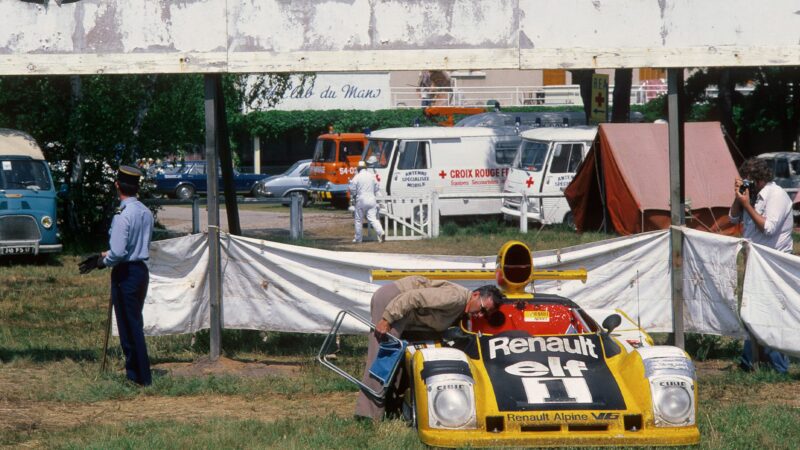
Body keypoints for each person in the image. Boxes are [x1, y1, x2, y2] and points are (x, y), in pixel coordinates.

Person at [354, 276, 503, 420]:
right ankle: (367, 415)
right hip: (394, 302)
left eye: (485, 315)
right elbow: (413, 297)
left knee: (404, 356)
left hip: (406, 311)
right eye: (482, 309)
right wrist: (387, 319)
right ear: (475, 295)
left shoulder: (462, 309)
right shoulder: (455, 297)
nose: (480, 315)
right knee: (383, 355)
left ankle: (393, 407)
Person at [79, 165, 155, 385]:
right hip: (140, 270)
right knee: (134, 323)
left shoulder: (122, 215)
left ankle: (138, 378)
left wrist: (103, 261)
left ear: (117, 185)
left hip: (125, 272)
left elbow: (119, 252)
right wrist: (104, 255)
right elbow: (133, 246)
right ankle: (141, 375)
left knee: (128, 327)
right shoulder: (144, 211)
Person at [729, 157, 794, 374]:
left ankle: (778, 366)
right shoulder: (754, 196)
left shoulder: (776, 196)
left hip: (774, 264)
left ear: (758, 180)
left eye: (748, 182)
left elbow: (769, 229)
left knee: (772, 313)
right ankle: (750, 361)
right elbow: (732, 218)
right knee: (752, 309)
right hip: (755, 261)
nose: (746, 186)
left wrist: (747, 204)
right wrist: (739, 199)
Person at [349, 159, 385, 243]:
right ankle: (381, 232)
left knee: (358, 220)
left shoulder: (357, 177)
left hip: (361, 199)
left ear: (358, 168)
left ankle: (358, 239)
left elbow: (352, 189)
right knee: (373, 218)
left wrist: (354, 195)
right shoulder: (371, 175)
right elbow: (376, 187)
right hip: (372, 199)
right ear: (365, 167)